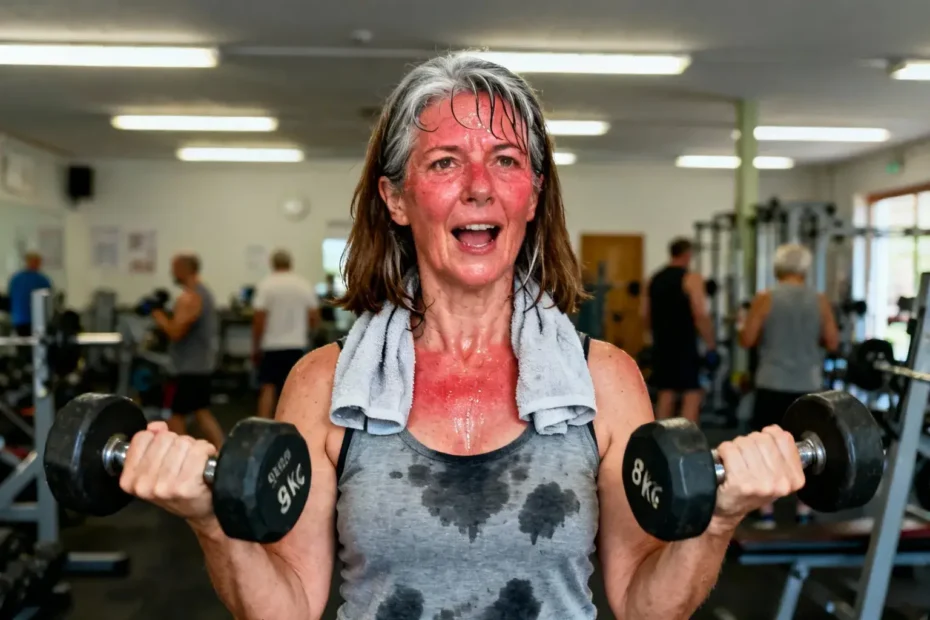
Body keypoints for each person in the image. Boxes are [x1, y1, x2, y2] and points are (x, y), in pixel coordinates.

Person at [117, 55, 804, 619]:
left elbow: (645, 606)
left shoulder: (606, 381)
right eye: (444, 162)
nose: (479, 186)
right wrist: (213, 524)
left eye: (506, 160)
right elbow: (287, 608)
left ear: (532, 196)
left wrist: (716, 523)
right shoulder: (326, 385)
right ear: (395, 198)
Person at [740, 243, 840, 528]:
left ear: (777, 268)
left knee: (768, 444)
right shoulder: (819, 300)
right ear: (805, 269)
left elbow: (747, 339)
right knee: (809, 446)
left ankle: (767, 511)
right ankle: (803, 510)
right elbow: (832, 341)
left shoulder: (766, 298)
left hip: (772, 381)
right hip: (808, 383)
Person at [151, 253, 224, 448]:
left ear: (184, 270)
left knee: (176, 417)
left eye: (174, 269)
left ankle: (184, 456)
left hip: (188, 368)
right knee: (201, 412)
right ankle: (222, 450)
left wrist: (159, 316)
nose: (171, 273)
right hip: (198, 365)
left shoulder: (191, 297)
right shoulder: (201, 292)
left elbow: (176, 332)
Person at [642, 238, 717, 422]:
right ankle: (689, 446)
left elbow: (644, 313)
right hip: (685, 344)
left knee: (665, 393)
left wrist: (652, 339)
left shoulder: (653, 279)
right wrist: (711, 344)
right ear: (687, 254)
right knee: (692, 394)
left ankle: (658, 445)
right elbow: (700, 313)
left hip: (662, 344)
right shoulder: (691, 278)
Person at [251, 249, 319, 419]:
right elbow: (314, 317)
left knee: (268, 387)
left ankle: (262, 429)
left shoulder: (266, 285)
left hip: (272, 345)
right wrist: (305, 333)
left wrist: (255, 346)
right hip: (297, 345)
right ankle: (295, 425)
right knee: (296, 388)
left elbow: (259, 320)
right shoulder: (303, 284)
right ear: (291, 263)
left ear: (272, 264)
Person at [6, 252, 51, 338]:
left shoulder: (16, 279)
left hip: (20, 319)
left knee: (24, 345)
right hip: (35, 320)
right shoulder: (42, 280)